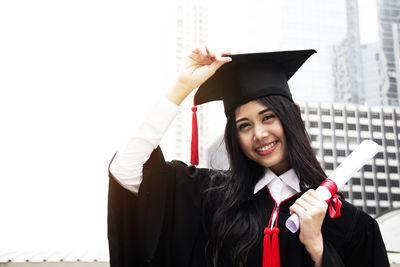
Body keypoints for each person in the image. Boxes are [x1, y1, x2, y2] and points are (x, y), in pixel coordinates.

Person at [107, 46, 390, 267]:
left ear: (294, 116)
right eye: (244, 125)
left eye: (269, 117)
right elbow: (125, 169)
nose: (259, 133)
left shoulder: (349, 224)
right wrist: (181, 86)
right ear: (234, 136)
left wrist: (317, 246)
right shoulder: (209, 196)